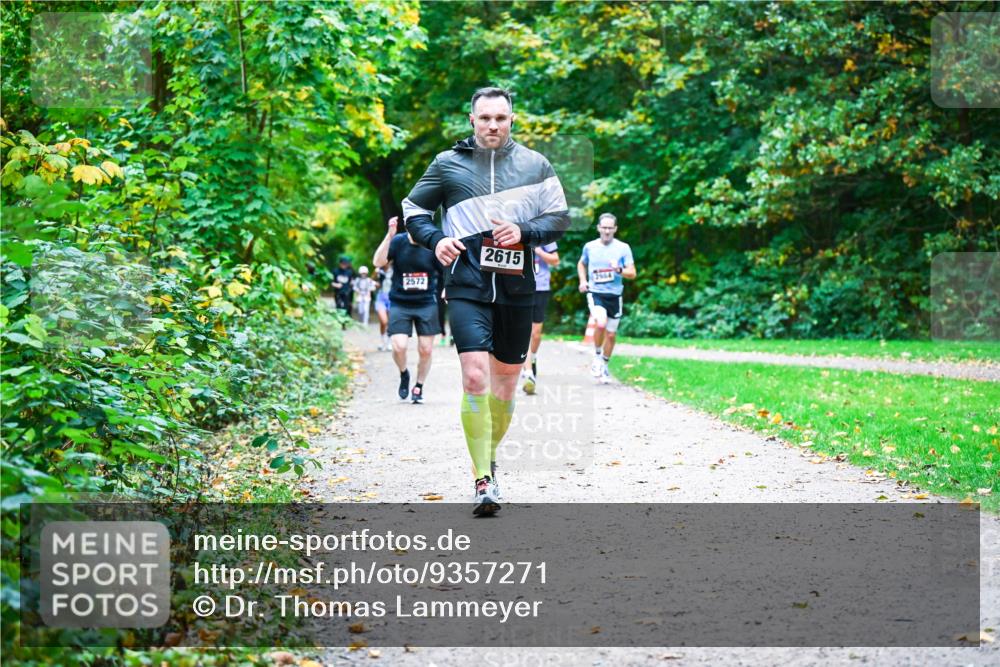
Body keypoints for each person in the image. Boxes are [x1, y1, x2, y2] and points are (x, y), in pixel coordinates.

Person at [402, 86, 570, 515]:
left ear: (512, 119)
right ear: (471, 120)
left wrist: (526, 232)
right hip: (466, 284)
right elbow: (413, 210)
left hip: (517, 288)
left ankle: (488, 456)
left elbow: (559, 217)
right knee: (475, 377)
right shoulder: (448, 164)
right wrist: (436, 240)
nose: (492, 125)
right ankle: (483, 480)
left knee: (506, 384)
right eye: (484, 118)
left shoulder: (536, 164)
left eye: (500, 117)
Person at [372, 215, 443, 404]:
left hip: (426, 302)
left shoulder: (433, 243)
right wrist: (389, 235)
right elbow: (377, 262)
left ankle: (418, 386)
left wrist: (447, 289)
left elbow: (445, 270)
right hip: (400, 302)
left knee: (426, 349)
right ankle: (404, 373)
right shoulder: (398, 242)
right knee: (399, 345)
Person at [577, 213, 636, 383]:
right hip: (596, 293)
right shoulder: (590, 247)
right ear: (598, 228)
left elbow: (632, 273)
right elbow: (581, 263)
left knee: (611, 335)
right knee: (600, 322)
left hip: (615, 295)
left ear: (615, 229)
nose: (607, 231)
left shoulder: (623, 248)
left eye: (610, 228)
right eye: (604, 227)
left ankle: (605, 364)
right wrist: (583, 280)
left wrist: (619, 270)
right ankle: (596, 355)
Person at [521, 242, 559, 395]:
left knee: (536, 333)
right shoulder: (516, 232)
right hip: (521, 288)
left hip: (541, 288)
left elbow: (555, 260)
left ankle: (533, 358)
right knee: (525, 332)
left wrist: (537, 250)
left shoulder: (545, 236)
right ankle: (528, 372)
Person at [374, 266, 392, 350]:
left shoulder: (396, 269)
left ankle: (389, 342)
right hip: (381, 297)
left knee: (390, 321)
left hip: (392, 297)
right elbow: (371, 281)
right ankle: (382, 340)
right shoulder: (378, 271)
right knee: (384, 321)